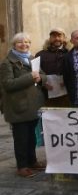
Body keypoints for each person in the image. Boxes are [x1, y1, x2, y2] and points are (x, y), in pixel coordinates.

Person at [0, 33, 46, 178]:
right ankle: (22, 166)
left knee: (32, 136)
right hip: (18, 106)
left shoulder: (32, 59)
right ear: (14, 45)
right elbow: (8, 84)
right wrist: (30, 77)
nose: (24, 44)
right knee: (21, 138)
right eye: (20, 42)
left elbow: (42, 75)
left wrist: (40, 78)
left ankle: (32, 161)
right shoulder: (7, 63)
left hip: (33, 105)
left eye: (27, 42)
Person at [36, 27, 70, 107]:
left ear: (64, 38)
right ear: (50, 38)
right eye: (54, 36)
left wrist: (67, 81)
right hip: (47, 95)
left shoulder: (70, 53)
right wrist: (43, 83)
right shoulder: (40, 54)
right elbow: (35, 72)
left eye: (59, 36)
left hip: (67, 95)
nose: (57, 38)